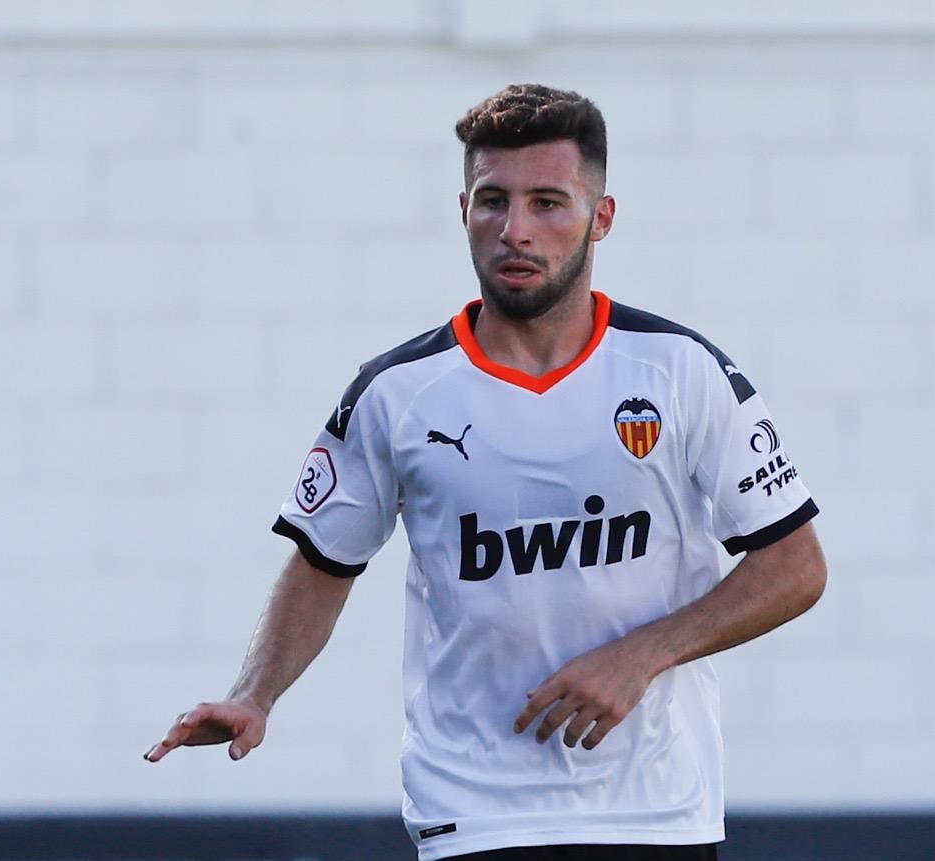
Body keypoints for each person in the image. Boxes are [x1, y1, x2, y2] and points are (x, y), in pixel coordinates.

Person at [145, 84, 827, 861]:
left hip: (655, 808)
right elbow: (321, 563)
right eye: (492, 202)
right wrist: (252, 692)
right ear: (462, 209)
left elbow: (795, 564)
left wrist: (644, 653)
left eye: (547, 203)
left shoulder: (681, 370)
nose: (515, 230)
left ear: (601, 218)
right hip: (476, 813)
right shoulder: (397, 392)